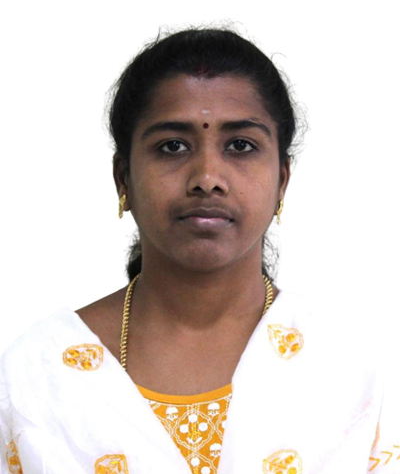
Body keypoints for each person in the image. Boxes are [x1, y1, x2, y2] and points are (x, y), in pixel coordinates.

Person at [0, 28, 396, 474]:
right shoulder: (36, 376)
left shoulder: (348, 368)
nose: (207, 178)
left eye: (241, 146)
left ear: (282, 180)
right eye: (173, 146)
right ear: (123, 178)